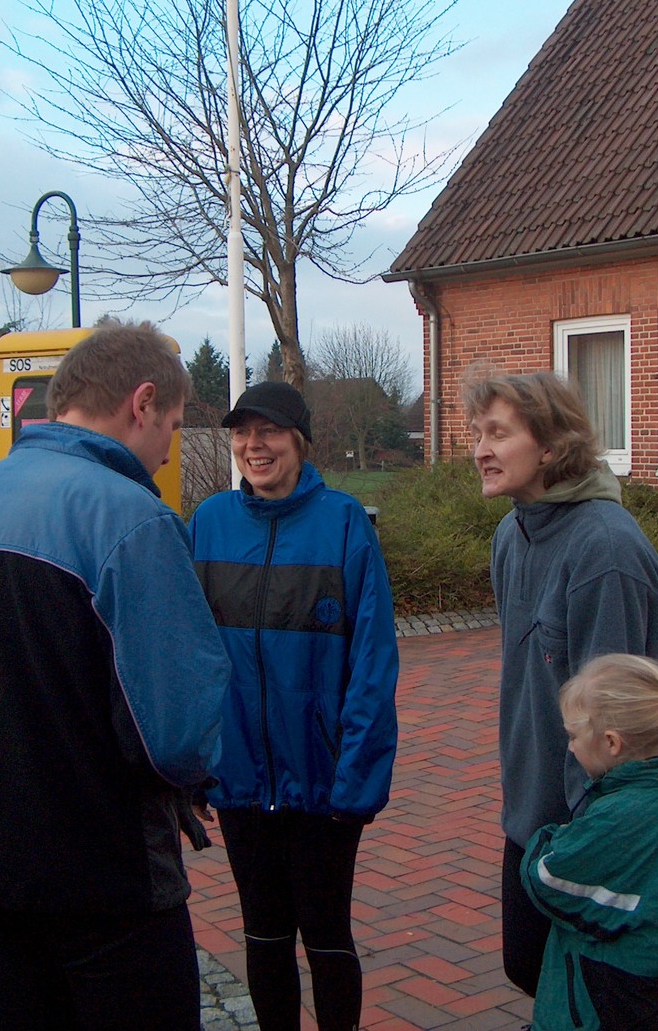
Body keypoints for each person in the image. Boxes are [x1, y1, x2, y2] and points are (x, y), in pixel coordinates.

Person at [0, 321, 232, 1031]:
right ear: (142, 402)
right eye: (173, 426)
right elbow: (175, 732)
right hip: (103, 872)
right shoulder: (130, 518)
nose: (167, 448)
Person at [188, 380, 399, 1031]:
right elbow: (188, 655)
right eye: (242, 433)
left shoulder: (344, 524)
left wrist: (355, 778)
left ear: (299, 441)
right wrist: (194, 762)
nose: (254, 445)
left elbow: (372, 662)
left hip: (323, 783)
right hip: (241, 780)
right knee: (263, 934)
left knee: (327, 934)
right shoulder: (208, 523)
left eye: (269, 431)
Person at [464, 370, 658, 996]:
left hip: (592, 834)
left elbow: (617, 732)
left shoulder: (605, 552)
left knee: (584, 997)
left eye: (498, 434)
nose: (480, 450)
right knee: (531, 974)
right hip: (530, 816)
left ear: (551, 448)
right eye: (477, 434)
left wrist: (584, 844)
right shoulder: (512, 534)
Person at [521, 653, 658, 1031]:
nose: (570, 748)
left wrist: (547, 837)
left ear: (611, 743)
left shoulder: (620, 816)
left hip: (618, 996)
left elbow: (545, 876)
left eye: (573, 736)